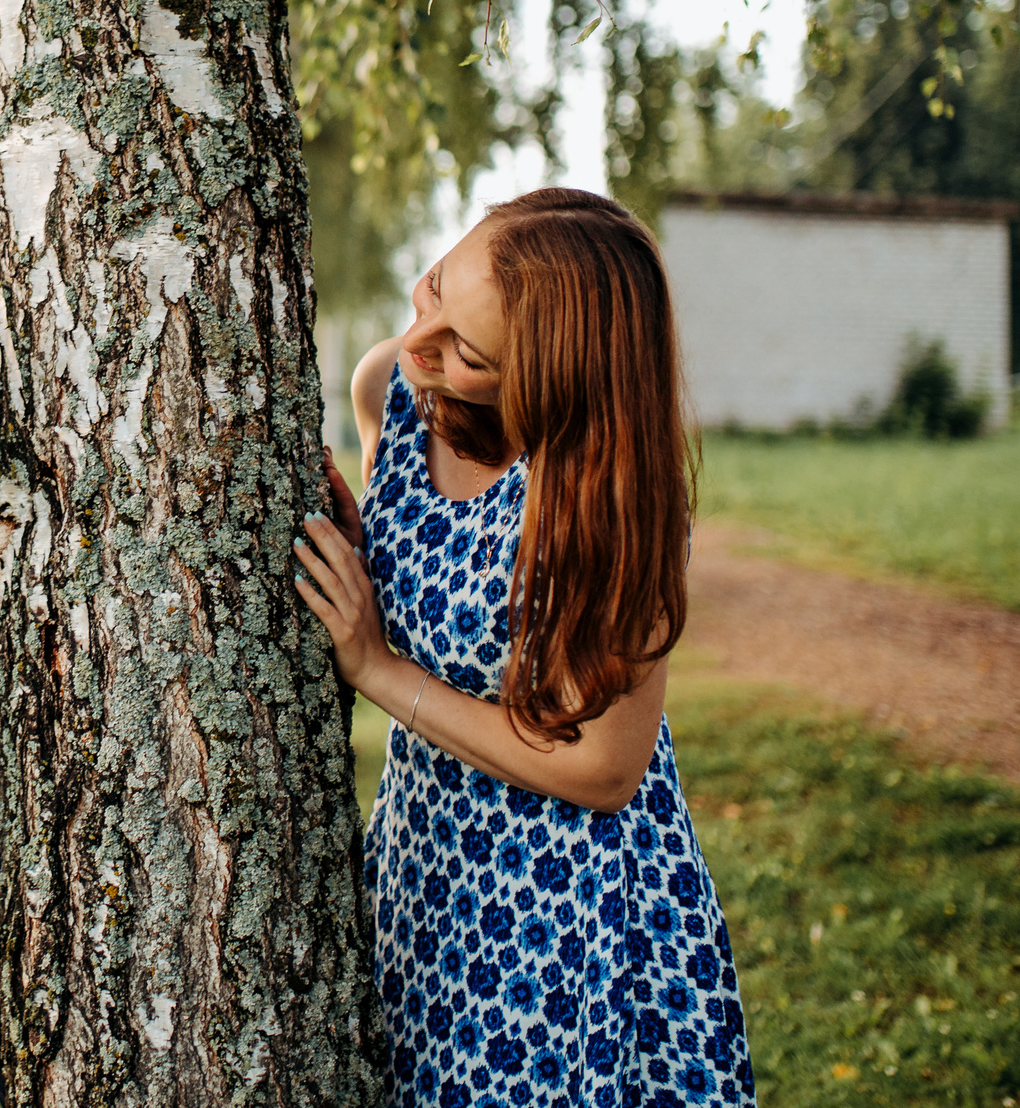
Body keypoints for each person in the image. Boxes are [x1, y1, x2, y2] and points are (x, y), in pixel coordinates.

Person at [293, 188, 753, 1106]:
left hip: (559, 910)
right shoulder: (392, 385)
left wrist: (378, 667)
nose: (422, 345)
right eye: (433, 290)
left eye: (467, 353)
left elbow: (604, 769)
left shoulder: (610, 502)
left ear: (550, 381)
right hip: (424, 872)